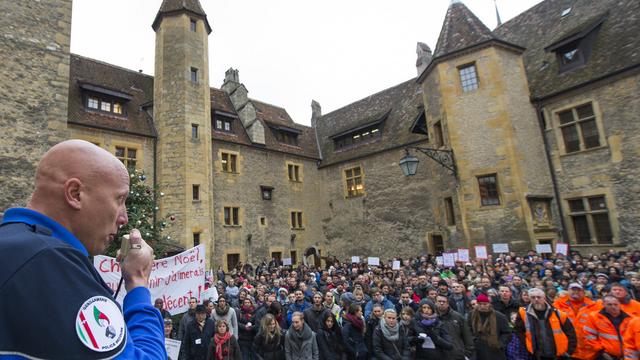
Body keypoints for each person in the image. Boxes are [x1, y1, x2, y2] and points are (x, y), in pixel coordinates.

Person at [0, 140, 165, 359]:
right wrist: (137, 282)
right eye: (120, 199)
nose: (124, 218)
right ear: (75, 193)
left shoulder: (14, 245)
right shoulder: (49, 262)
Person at [515, 288, 576, 360]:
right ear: (530, 299)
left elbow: (571, 333)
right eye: (533, 297)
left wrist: (569, 351)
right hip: (537, 355)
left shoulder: (558, 313)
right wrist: (528, 346)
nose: (536, 299)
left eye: (539, 297)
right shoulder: (523, 313)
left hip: (559, 355)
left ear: (544, 298)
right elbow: (519, 331)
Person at [553, 282, 598, 360]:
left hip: (588, 352)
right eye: (573, 290)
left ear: (583, 292)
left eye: (578, 290)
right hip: (566, 350)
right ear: (568, 291)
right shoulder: (557, 304)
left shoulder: (594, 306)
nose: (576, 292)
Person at [583, 295, 633, 360]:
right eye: (609, 304)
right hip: (604, 355)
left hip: (627, 355)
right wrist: (601, 352)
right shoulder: (594, 317)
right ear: (603, 304)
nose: (613, 307)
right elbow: (589, 337)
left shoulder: (630, 318)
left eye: (615, 304)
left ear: (620, 304)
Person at [468, 294, 511, 360]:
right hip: (477, 350)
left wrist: (500, 344)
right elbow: (468, 330)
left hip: (494, 350)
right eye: (479, 304)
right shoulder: (471, 315)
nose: (482, 306)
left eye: (485, 304)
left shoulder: (500, 316)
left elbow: (507, 333)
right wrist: (473, 340)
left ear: (489, 304)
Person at [435, 294, 474, 360]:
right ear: (435, 303)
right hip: (438, 354)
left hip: (456, 354)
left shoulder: (458, 317)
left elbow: (467, 336)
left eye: (444, 302)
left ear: (448, 304)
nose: (441, 303)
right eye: (439, 301)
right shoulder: (431, 317)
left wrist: (467, 353)